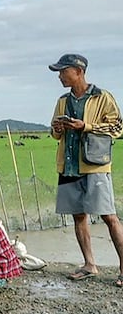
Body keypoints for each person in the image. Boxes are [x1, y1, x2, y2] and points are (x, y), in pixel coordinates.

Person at [48, 53, 123, 285]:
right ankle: (90, 264)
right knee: (78, 216)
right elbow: (54, 134)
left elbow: (118, 127)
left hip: (95, 165)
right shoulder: (62, 100)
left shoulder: (102, 97)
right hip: (69, 165)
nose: (60, 76)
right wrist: (58, 127)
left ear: (78, 71)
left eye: (63, 71)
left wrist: (86, 126)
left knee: (109, 216)